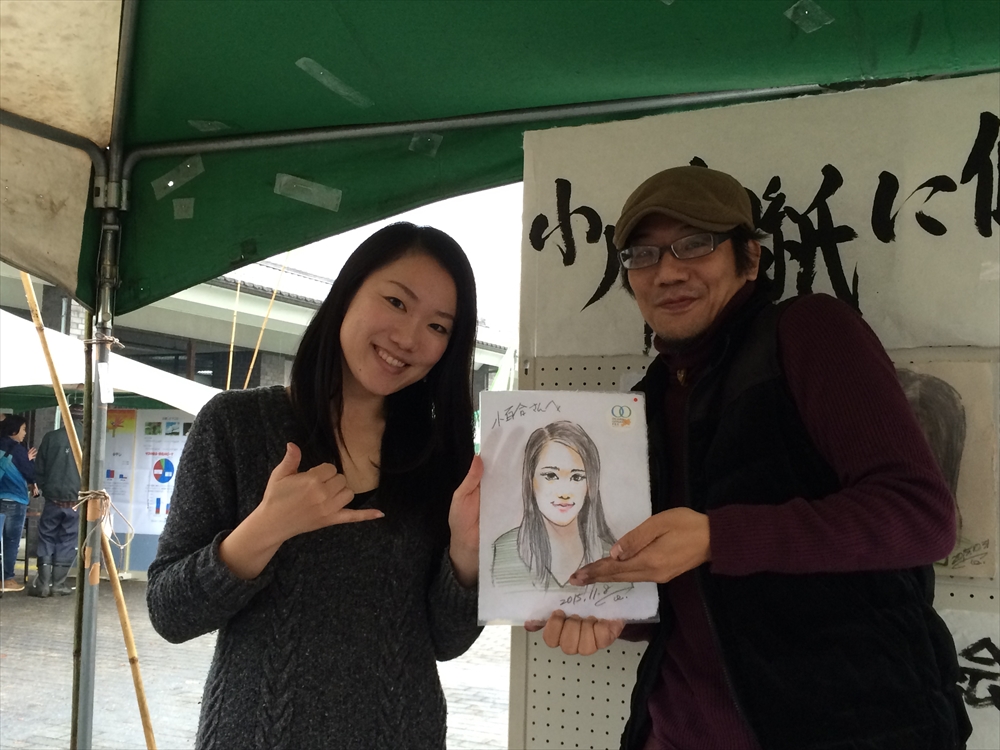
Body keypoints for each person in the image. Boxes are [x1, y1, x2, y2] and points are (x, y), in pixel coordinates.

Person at [533, 166, 971, 750]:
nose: (667, 271)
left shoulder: (810, 331)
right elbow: (691, 597)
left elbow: (922, 517)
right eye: (642, 254)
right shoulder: (645, 401)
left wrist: (718, 537)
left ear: (750, 257)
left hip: (853, 727)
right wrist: (608, 608)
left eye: (695, 244)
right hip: (676, 731)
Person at [146, 222, 484, 750]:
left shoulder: (441, 456)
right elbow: (170, 613)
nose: (409, 338)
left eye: (438, 327)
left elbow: (447, 641)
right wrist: (266, 528)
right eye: (396, 302)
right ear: (347, 292)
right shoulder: (235, 425)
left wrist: (466, 554)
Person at [492, 420, 616, 589]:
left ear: (590, 485)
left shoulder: (612, 558)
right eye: (550, 476)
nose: (564, 493)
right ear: (530, 480)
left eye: (577, 477)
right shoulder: (503, 552)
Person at [28, 403, 84, 597]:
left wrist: (45, 488)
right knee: (68, 540)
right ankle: (58, 584)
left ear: (64, 417)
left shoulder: (50, 437)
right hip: (76, 501)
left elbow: (39, 469)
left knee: (46, 537)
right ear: (84, 419)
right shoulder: (89, 439)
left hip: (52, 500)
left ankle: (43, 584)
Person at [0, 414, 39, 592]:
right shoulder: (17, 449)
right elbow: (31, 473)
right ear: (14, 430)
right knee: (11, 541)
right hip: (15, 500)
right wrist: (28, 460)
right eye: (23, 429)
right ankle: (7, 578)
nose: (24, 433)